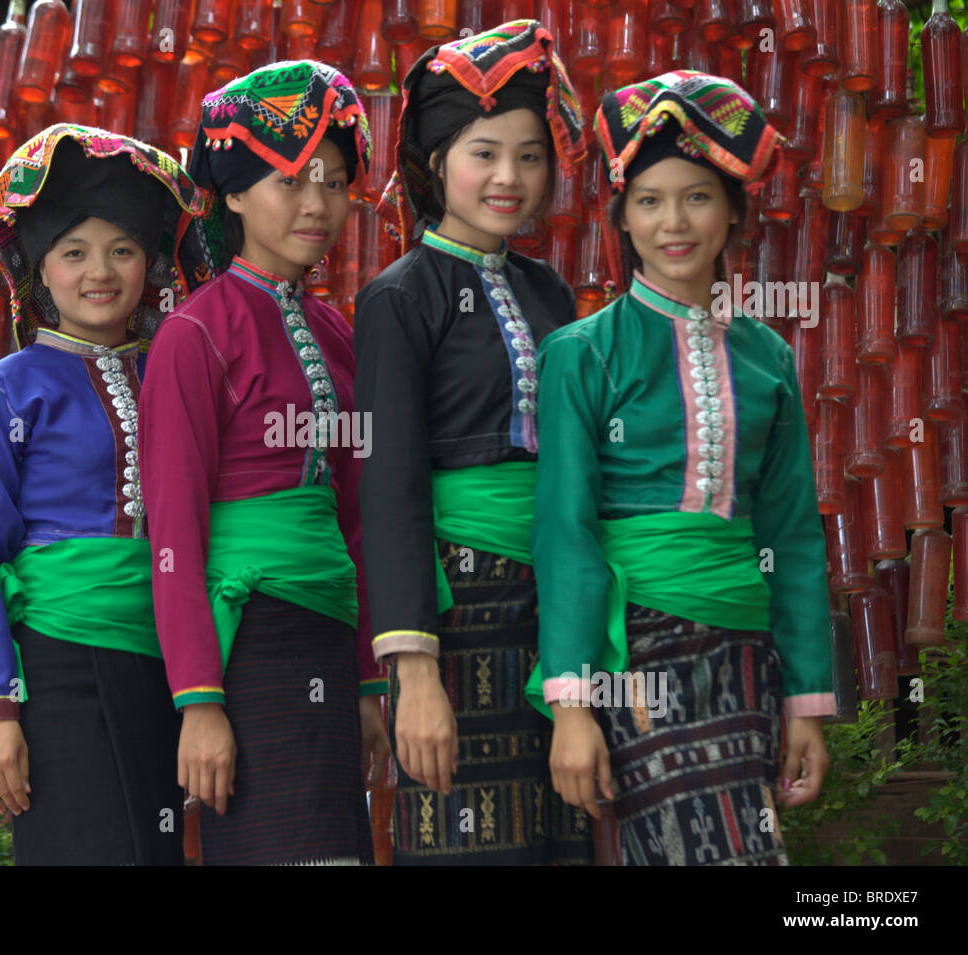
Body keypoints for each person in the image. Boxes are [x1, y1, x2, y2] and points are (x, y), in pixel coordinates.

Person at [528, 71, 834, 865]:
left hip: (745, 653)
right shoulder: (579, 354)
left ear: (733, 210)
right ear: (622, 217)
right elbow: (566, 533)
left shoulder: (768, 359)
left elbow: (793, 534)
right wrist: (570, 702)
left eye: (697, 197)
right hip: (637, 656)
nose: (674, 221)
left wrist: (805, 701)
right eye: (651, 200)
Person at [137, 60, 391, 866]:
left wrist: (367, 682)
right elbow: (172, 530)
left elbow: (357, 521)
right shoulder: (195, 334)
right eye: (289, 180)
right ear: (236, 195)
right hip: (247, 647)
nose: (317, 204)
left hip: (328, 633)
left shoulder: (340, 333)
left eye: (335, 181)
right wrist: (200, 701)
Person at [355, 19, 595, 865]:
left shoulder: (549, 291)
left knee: (563, 841)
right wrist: (412, 671)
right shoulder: (399, 297)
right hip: (458, 620)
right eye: (484, 152)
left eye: (530, 155)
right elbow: (388, 488)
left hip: (554, 611)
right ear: (433, 163)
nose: (509, 177)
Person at [0, 124, 214, 865]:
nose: (100, 271)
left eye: (122, 250)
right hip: (60, 668)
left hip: (178, 664)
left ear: (151, 263)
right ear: (39, 269)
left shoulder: (175, 371)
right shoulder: (4, 389)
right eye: (74, 252)